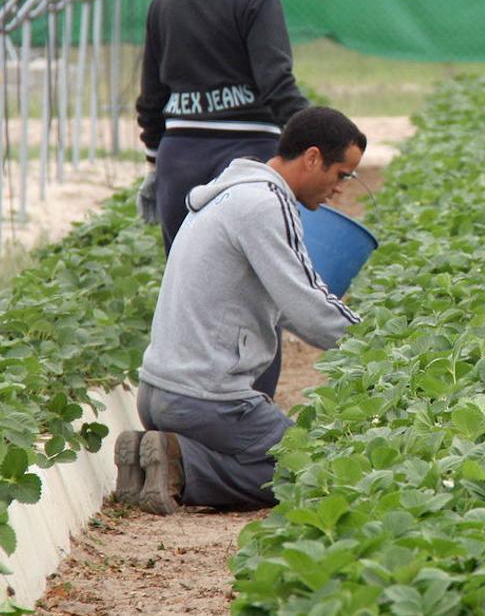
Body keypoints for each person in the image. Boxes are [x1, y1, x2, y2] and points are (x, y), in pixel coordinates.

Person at [113, 107, 366, 515]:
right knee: (314, 471)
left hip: (159, 393)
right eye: (341, 175)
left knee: (286, 460)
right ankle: (183, 466)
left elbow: (284, 304)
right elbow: (306, 303)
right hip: (207, 399)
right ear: (313, 157)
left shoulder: (228, 195)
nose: (339, 189)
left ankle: (158, 453)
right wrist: (378, 348)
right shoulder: (266, 204)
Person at [135, 0, 310, 255]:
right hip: (249, 155)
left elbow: (152, 95)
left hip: (180, 155)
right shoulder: (256, 0)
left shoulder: (165, 2)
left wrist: (155, 162)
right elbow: (276, 83)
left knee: (187, 273)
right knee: (254, 273)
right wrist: (316, 133)